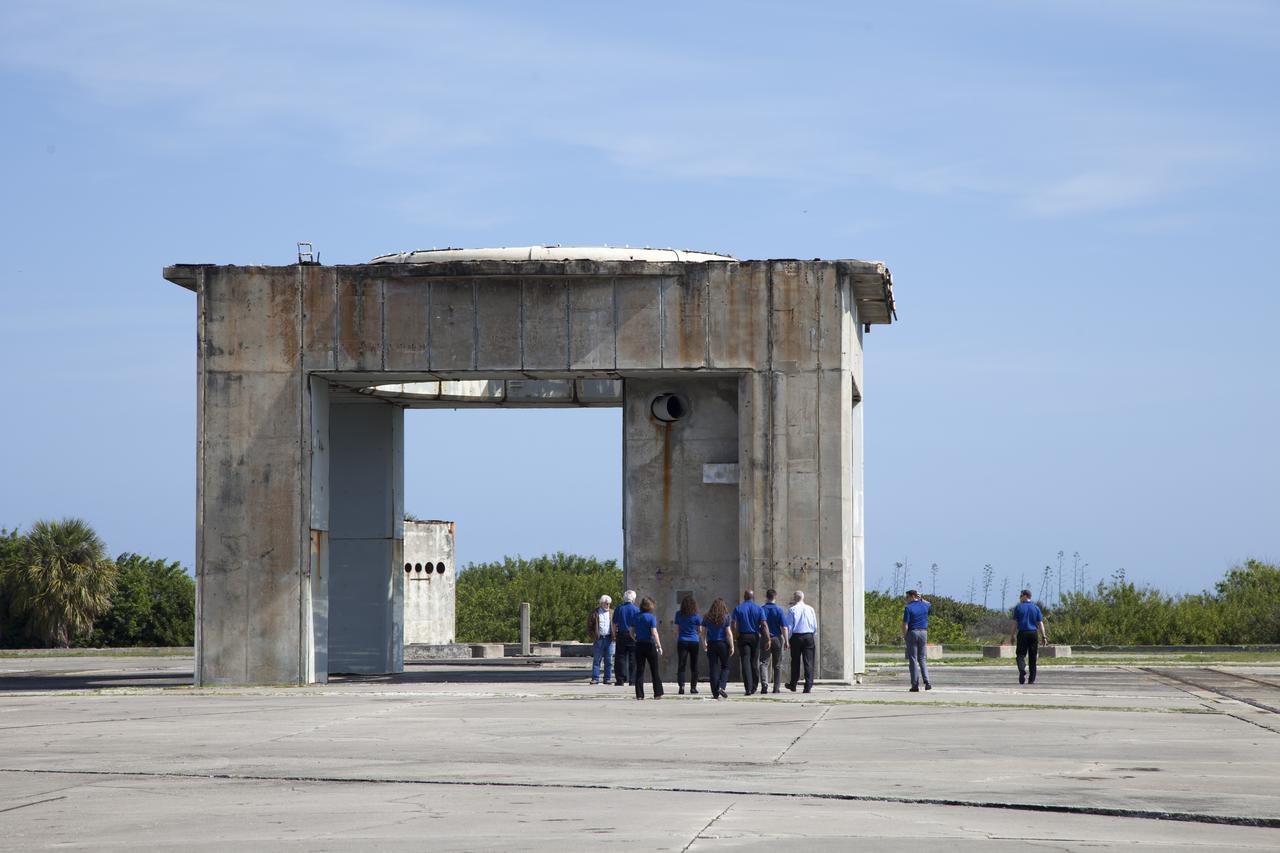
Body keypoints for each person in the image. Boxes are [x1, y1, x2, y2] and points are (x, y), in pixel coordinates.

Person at [731, 589, 769, 696]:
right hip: (755, 636)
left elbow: (733, 623)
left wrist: (735, 636)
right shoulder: (758, 608)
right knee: (754, 662)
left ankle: (748, 688)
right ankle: (754, 686)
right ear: (752, 597)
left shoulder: (738, 608)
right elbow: (764, 625)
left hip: (743, 636)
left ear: (744, 596)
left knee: (745, 662)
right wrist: (767, 639)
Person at [1010, 589, 1048, 685]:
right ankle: (1031, 679)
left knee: (1020, 655)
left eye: (1021, 596)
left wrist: (1012, 635)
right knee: (1032, 657)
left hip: (1022, 633)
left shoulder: (1019, 608)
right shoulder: (1036, 608)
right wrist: (1044, 636)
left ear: (1026, 596)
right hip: (1033, 633)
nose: (1020, 598)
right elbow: (1040, 623)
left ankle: (1022, 669)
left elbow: (1015, 623)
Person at [630, 596, 664, 700]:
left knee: (640, 670)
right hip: (649, 644)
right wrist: (659, 645)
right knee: (654, 670)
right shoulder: (651, 617)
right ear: (650, 607)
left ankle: (639, 694)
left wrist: (634, 639)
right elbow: (654, 632)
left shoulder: (635, 616)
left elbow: (631, 631)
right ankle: (657, 693)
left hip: (639, 644)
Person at [784, 590, 817, 693]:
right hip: (808, 636)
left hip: (796, 637)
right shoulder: (810, 609)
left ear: (795, 598)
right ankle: (808, 685)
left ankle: (793, 684)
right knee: (808, 662)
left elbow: (789, 626)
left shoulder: (792, 610)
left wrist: (787, 640)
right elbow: (814, 625)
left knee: (795, 662)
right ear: (803, 598)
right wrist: (812, 634)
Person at [702, 597, 734, 699]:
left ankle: (715, 693)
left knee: (713, 668)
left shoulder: (707, 617)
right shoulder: (726, 617)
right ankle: (721, 686)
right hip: (723, 644)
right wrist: (732, 646)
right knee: (725, 666)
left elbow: (703, 632)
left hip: (711, 644)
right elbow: (728, 633)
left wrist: (704, 643)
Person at [902, 589, 932, 692]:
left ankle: (915, 685)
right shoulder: (924, 606)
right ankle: (927, 681)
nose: (906, 599)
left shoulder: (908, 608)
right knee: (922, 658)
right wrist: (921, 598)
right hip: (923, 632)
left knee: (913, 659)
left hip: (913, 632)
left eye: (907, 597)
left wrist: (905, 636)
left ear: (912, 596)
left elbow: (905, 624)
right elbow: (929, 603)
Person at [673, 595, 704, 695]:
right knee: (694, 665)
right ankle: (693, 688)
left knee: (681, 665)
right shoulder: (696, 616)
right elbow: (700, 630)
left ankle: (681, 686)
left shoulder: (678, 614)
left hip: (682, 640)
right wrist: (696, 636)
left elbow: (676, 629)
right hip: (694, 641)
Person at [758, 589, 787, 695]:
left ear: (766, 597)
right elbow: (784, 627)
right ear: (775, 597)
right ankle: (776, 688)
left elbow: (758, 625)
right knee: (777, 665)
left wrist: (761, 634)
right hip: (777, 639)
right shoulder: (779, 610)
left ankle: (764, 684)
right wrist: (786, 641)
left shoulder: (761, 609)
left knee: (764, 663)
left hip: (765, 638)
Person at [611, 590, 639, 686]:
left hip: (621, 634)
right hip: (632, 635)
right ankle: (633, 679)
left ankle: (620, 679)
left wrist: (614, 634)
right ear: (633, 599)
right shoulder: (636, 610)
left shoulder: (619, 608)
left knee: (620, 657)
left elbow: (614, 623)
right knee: (633, 658)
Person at [587, 594, 614, 685]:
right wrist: (594, 636)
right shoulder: (595, 613)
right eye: (606, 604)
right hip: (599, 639)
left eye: (609, 604)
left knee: (609, 660)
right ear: (601, 603)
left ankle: (607, 678)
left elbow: (615, 625)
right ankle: (595, 678)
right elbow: (589, 626)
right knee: (597, 660)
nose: (608, 605)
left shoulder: (612, 613)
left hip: (609, 639)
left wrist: (614, 635)